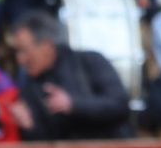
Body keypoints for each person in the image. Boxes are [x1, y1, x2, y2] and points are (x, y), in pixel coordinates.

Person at [7, 10, 132, 140]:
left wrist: (74, 104)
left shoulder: (90, 62)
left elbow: (120, 106)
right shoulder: (30, 86)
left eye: (24, 51)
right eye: (17, 52)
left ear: (46, 45)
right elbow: (46, 143)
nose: (20, 60)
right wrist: (29, 126)